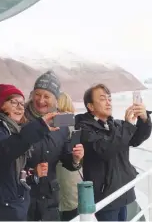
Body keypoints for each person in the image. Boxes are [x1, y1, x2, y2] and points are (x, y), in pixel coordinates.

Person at [0, 84, 60, 221]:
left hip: (12, 208)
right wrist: (40, 126)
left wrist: (33, 174)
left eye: (22, 103)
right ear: (0, 104)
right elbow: (5, 151)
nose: (20, 107)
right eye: (14, 102)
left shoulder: (12, 130)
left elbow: (11, 176)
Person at [75, 84, 152, 221]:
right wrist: (128, 125)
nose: (108, 102)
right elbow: (104, 150)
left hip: (123, 191)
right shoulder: (84, 129)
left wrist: (144, 119)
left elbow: (136, 139)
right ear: (91, 106)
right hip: (106, 195)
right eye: (103, 99)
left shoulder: (116, 125)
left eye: (109, 99)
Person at [24, 71, 84, 221]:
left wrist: (76, 159)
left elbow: (65, 158)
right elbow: (8, 157)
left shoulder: (60, 123)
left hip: (49, 198)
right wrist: (31, 172)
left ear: (56, 100)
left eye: (46, 96)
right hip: (23, 196)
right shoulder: (21, 120)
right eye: (38, 94)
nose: (41, 100)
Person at [55, 92, 83, 221]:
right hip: (75, 172)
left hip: (62, 174)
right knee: (73, 208)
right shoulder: (73, 121)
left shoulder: (57, 121)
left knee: (65, 209)